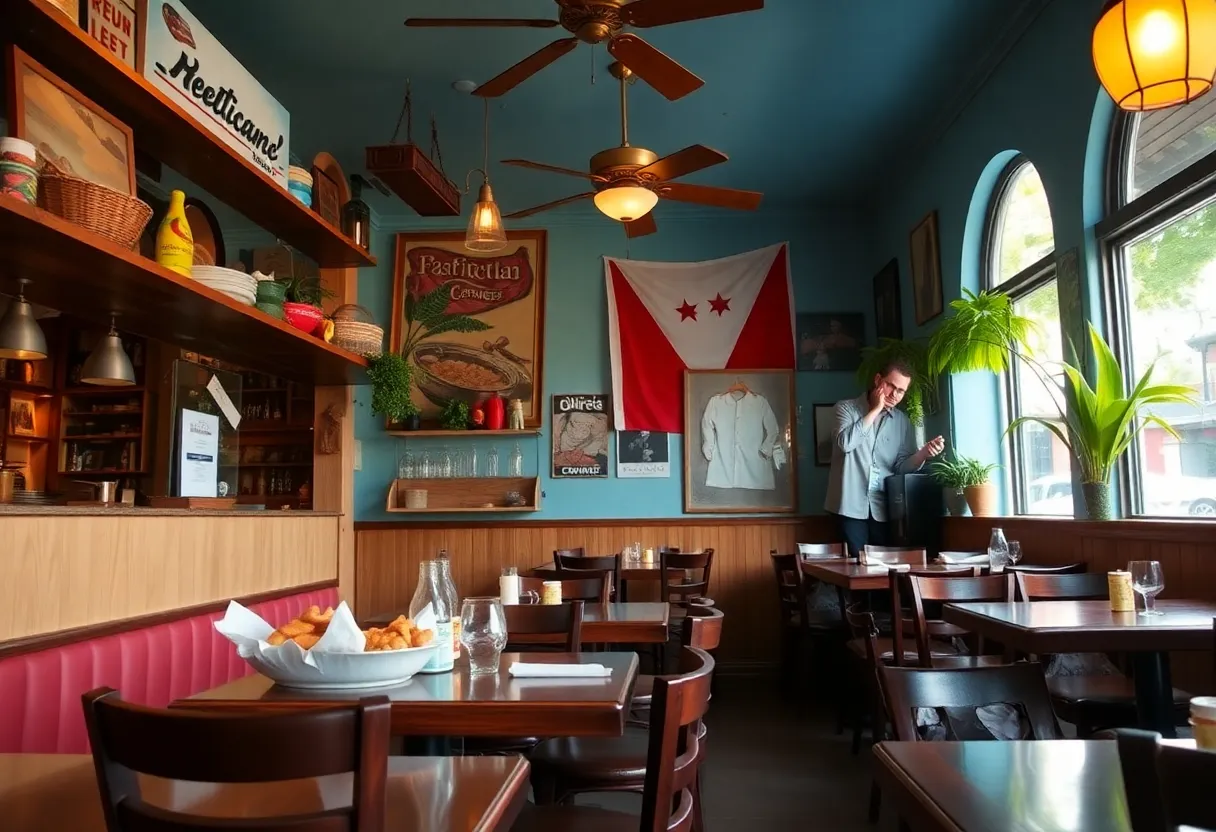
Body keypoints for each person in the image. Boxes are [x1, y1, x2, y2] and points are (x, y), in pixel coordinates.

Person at [824, 359, 945, 557]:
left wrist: (923, 453)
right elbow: (845, 444)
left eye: (901, 391)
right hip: (848, 507)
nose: (894, 395)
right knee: (855, 572)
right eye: (891, 386)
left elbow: (900, 469)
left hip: (883, 509)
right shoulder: (845, 409)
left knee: (882, 574)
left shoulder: (902, 422)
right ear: (878, 380)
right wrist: (875, 410)